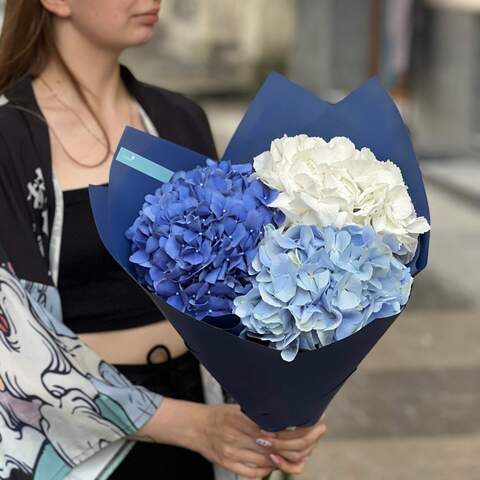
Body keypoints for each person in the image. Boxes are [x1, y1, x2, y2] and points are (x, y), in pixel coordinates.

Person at [0, 1, 327, 479]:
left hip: (202, 420)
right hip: (75, 444)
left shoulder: (178, 119)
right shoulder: (10, 136)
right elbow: (12, 336)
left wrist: (280, 409)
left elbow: (241, 289)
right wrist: (185, 425)